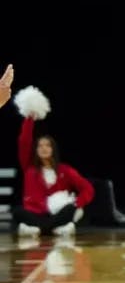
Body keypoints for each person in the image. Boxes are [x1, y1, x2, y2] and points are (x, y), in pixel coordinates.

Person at [13, 98, 95, 239]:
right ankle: (54, 228)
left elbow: (88, 189)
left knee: (72, 209)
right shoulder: (29, 168)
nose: (44, 148)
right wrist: (30, 118)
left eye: (47, 145)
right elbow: (24, 141)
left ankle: (38, 229)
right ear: (36, 150)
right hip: (35, 212)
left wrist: (77, 202)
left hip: (57, 213)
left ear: (53, 149)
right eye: (40, 146)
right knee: (18, 211)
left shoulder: (65, 170)